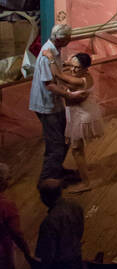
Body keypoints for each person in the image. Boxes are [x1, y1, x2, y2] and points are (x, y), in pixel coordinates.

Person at [28, 21, 76, 183]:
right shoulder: (46, 54)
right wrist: (68, 95)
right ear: (60, 39)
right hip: (46, 106)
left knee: (63, 139)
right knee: (56, 145)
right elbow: (49, 85)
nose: (70, 40)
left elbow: (56, 73)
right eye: (68, 38)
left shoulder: (54, 51)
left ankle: (57, 170)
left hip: (54, 104)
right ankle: (48, 180)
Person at [32, 178, 86, 269]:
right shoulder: (76, 207)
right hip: (76, 262)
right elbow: (80, 231)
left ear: (45, 197)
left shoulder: (50, 222)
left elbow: (48, 253)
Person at [60, 52, 104, 186]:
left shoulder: (80, 81)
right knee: (78, 149)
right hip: (77, 114)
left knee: (76, 150)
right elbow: (69, 68)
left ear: (86, 68)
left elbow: (57, 76)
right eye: (72, 66)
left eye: (77, 68)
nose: (73, 70)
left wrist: (50, 60)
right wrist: (70, 63)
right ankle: (84, 174)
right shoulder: (81, 74)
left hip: (81, 116)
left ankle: (86, 183)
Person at [0, 165, 33, 269]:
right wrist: (27, 253)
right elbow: (16, 234)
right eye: (8, 178)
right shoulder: (6, 206)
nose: (10, 181)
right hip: (2, 255)